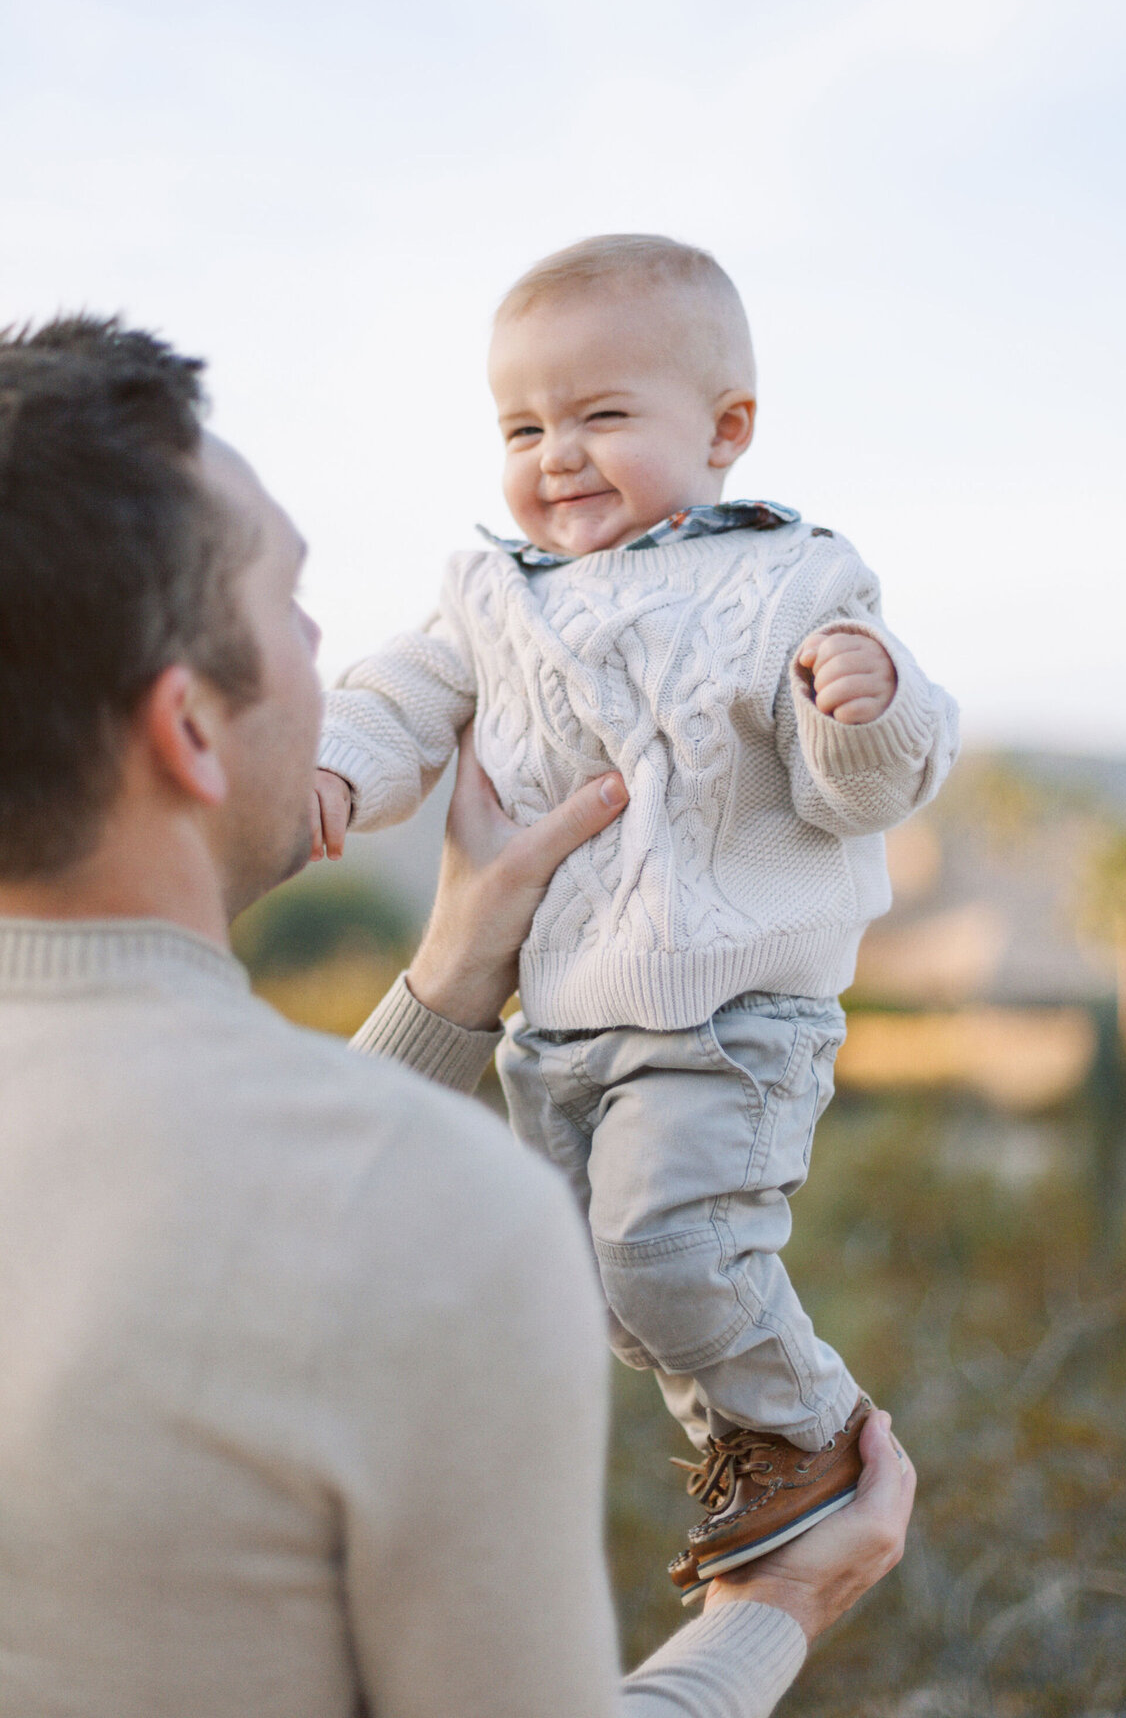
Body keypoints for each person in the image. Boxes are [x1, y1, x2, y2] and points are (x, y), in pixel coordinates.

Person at [0, 315, 914, 1718]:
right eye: (293, 607)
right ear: (188, 730)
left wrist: (451, 975)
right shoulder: (435, 1219)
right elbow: (310, 1205)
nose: (332, 654)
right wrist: (774, 1615)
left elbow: (233, 1202)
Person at [311, 234, 958, 1593]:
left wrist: (869, 699)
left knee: (668, 1247)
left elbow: (861, 790)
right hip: (557, 1023)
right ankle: (755, 1447)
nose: (557, 453)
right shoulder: (491, 594)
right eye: (524, 424)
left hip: (727, 1008)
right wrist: (338, 768)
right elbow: (396, 697)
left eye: (602, 416)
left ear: (725, 430)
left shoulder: (787, 578)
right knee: (594, 1279)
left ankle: (816, 1430)